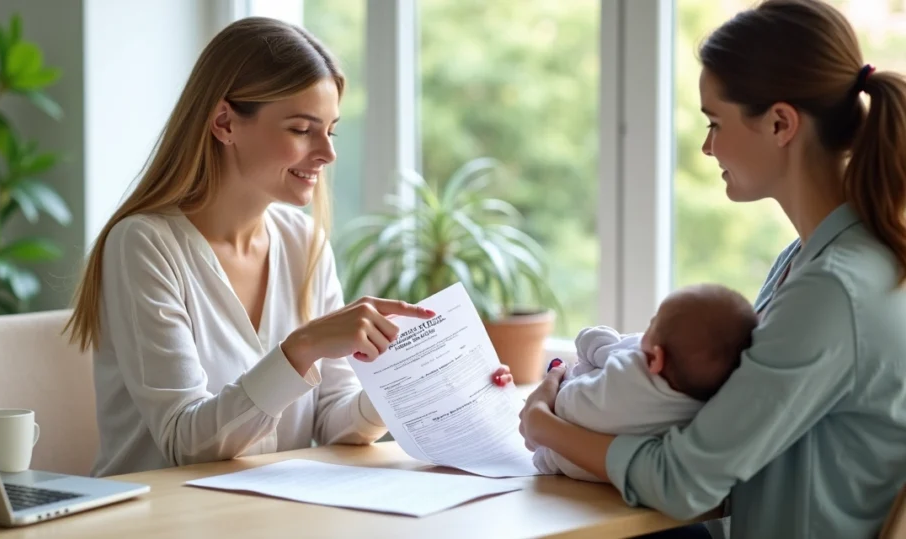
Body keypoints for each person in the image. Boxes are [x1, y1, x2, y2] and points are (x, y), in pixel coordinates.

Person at [62, 17, 513, 477]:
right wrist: (303, 347)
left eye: (331, 131)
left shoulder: (304, 243)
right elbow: (186, 443)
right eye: (302, 129)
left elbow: (335, 421)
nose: (327, 153)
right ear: (224, 123)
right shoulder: (144, 245)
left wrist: (420, 382)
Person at [520, 0, 906, 537]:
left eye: (715, 122)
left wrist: (541, 422)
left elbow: (686, 481)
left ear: (779, 123)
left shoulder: (832, 289)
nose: (707, 146)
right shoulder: (815, 259)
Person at [534, 284, 757, 480]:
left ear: (657, 358)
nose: (643, 334)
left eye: (652, 324)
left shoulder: (633, 367)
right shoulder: (704, 408)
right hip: (587, 469)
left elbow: (597, 345)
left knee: (583, 369)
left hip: (562, 421)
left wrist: (589, 339)